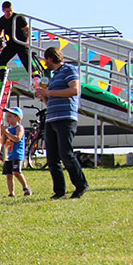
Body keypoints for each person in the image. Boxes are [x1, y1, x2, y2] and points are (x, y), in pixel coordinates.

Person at [34, 46, 88, 199]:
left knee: (66, 153)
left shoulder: (69, 70)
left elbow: (74, 90)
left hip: (66, 117)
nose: (45, 63)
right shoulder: (54, 76)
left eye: (45, 60)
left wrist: (49, 92)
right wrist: (43, 94)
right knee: (52, 157)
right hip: (52, 117)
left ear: (50, 58)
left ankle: (81, 185)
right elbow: (49, 101)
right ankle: (59, 191)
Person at [0, 1, 34, 85]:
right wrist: (0, 44)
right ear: (3, 10)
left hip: (21, 43)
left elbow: (28, 30)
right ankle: (2, 78)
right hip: (11, 45)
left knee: (27, 61)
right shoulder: (1, 20)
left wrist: (27, 42)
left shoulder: (18, 17)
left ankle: (35, 77)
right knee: (2, 59)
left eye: (10, 11)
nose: (9, 13)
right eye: (7, 11)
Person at [1, 107, 33, 196]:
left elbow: (17, 138)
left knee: (16, 172)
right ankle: (11, 193)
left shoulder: (19, 127)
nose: (7, 119)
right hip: (9, 155)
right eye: (6, 116)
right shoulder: (8, 129)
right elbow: (3, 142)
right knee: (9, 174)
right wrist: (3, 133)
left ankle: (25, 187)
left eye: (10, 116)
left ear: (17, 118)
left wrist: (7, 133)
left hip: (17, 154)